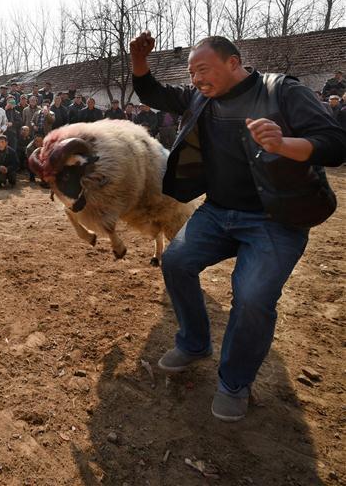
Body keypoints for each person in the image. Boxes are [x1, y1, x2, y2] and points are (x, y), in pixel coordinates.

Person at [129, 31, 346, 422]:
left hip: (276, 219)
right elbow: (155, 94)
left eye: (203, 69)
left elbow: (335, 142)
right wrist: (139, 62)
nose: (195, 79)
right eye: (191, 73)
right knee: (176, 262)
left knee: (251, 295)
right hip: (218, 212)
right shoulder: (200, 98)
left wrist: (285, 145)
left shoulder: (283, 92)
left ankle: (234, 382)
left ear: (233, 63)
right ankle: (194, 343)